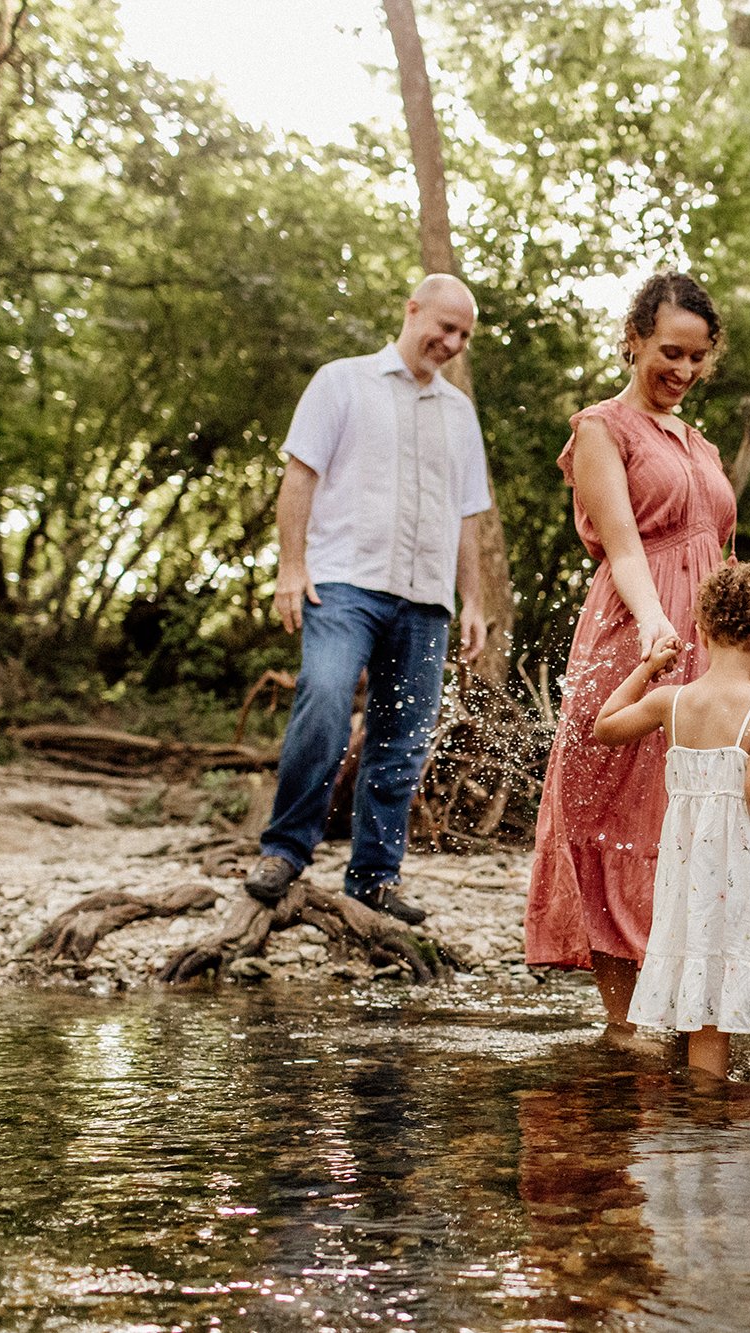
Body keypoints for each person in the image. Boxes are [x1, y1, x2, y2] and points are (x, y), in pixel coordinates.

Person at [524, 271, 737, 1039]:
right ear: (634, 340)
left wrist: (742, 653)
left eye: (696, 359)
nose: (681, 371)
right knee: (617, 810)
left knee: (690, 811)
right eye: (669, 352)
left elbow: (724, 553)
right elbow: (622, 548)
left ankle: (683, 1005)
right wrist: (654, 629)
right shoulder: (600, 429)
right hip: (633, 633)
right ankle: (624, 1021)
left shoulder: (703, 444)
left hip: (708, 643)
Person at [243, 274, 494, 919]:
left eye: (463, 334)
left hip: (426, 599)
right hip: (344, 583)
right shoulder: (341, 381)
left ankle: (376, 878)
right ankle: (284, 851)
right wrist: (290, 568)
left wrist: (474, 600)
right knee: (324, 698)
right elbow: (300, 475)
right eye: (444, 326)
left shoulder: (459, 413)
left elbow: (468, 514)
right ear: (411, 311)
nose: (452, 342)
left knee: (402, 737)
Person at [591, 563, 750, 1089]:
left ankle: (701, 1112)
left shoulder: (670, 700)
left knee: (707, 994)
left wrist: (648, 668)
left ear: (700, 630)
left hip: (696, 879)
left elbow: (603, 727)